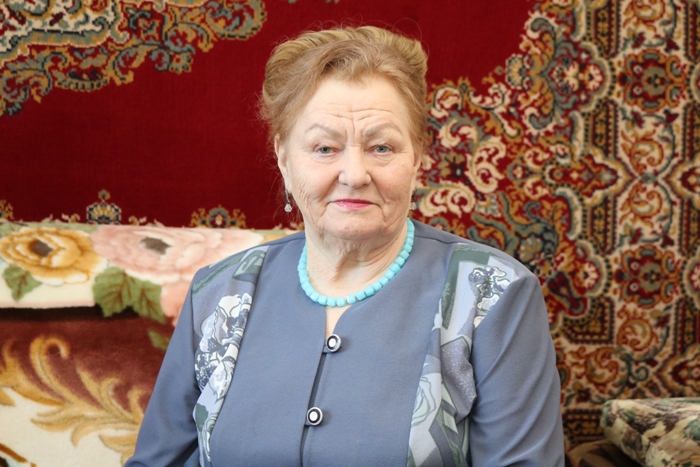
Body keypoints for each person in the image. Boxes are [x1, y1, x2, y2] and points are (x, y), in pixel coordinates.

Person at [126, 25, 565, 466]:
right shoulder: (218, 293)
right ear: (284, 158)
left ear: (417, 157)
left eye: (381, 147)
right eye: (324, 148)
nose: (355, 174)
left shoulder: (493, 294)